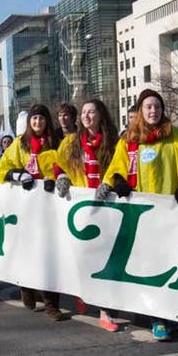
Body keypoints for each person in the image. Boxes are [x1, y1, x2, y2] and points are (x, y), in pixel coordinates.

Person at [99, 90, 178, 341]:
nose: (152, 111)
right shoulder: (129, 139)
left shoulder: (175, 136)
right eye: (148, 107)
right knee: (149, 267)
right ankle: (157, 318)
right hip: (141, 215)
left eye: (157, 107)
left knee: (170, 264)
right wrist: (118, 181)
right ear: (140, 110)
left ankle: (169, 315)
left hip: (169, 213)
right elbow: (116, 167)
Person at [52, 99, 121, 331]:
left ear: (101, 115)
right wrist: (62, 178)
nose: (86, 116)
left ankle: (105, 309)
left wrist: (110, 183)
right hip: (81, 208)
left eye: (91, 112)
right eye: (83, 112)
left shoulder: (113, 142)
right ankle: (81, 291)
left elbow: (121, 167)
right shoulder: (72, 142)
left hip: (106, 206)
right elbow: (59, 165)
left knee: (105, 257)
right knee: (82, 254)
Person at [0, 103, 65, 321]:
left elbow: (65, 166)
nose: (38, 123)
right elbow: (2, 168)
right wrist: (19, 175)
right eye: (34, 119)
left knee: (51, 255)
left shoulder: (55, 142)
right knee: (27, 251)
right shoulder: (19, 144)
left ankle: (52, 303)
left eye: (42, 119)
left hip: (49, 207)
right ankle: (26, 285)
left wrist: (57, 178)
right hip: (25, 208)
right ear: (29, 122)